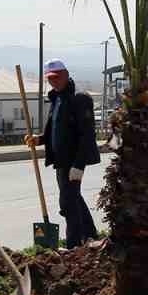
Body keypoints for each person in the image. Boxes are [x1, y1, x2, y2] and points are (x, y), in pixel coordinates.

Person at [26, 59, 101, 247]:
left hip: (73, 160)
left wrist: (79, 165)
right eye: (50, 78)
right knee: (74, 198)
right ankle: (90, 235)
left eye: (57, 77)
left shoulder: (79, 98)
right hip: (60, 160)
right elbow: (55, 130)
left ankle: (73, 244)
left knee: (67, 203)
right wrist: (39, 139)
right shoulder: (57, 98)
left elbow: (87, 134)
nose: (54, 81)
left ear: (66, 75)